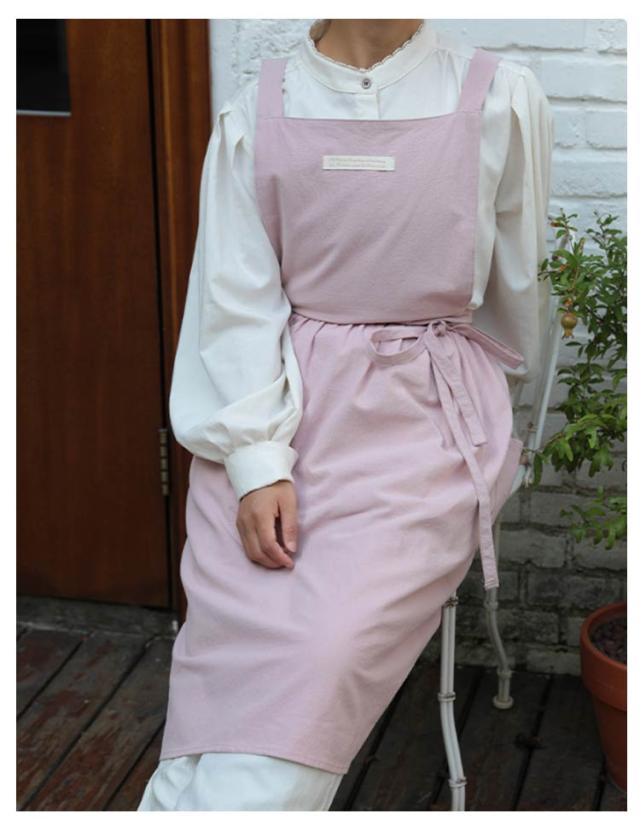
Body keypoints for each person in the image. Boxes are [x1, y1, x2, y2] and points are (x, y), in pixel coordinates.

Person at [138, 18, 554, 811]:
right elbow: (234, 297)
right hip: (281, 406)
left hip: (428, 423)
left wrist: (479, 408)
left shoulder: (499, 97)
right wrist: (257, 460)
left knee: (327, 644)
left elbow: (518, 288)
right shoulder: (258, 110)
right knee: (237, 629)